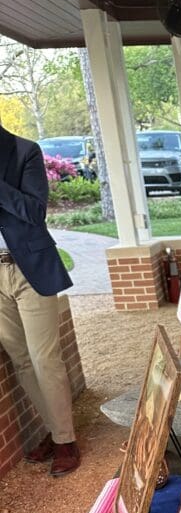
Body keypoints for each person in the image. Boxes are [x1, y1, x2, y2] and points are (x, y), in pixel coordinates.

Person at [0, 121, 80, 476]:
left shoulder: (23, 151)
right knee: (21, 361)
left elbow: (34, 212)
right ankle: (54, 429)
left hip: (29, 266)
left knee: (44, 358)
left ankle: (66, 441)